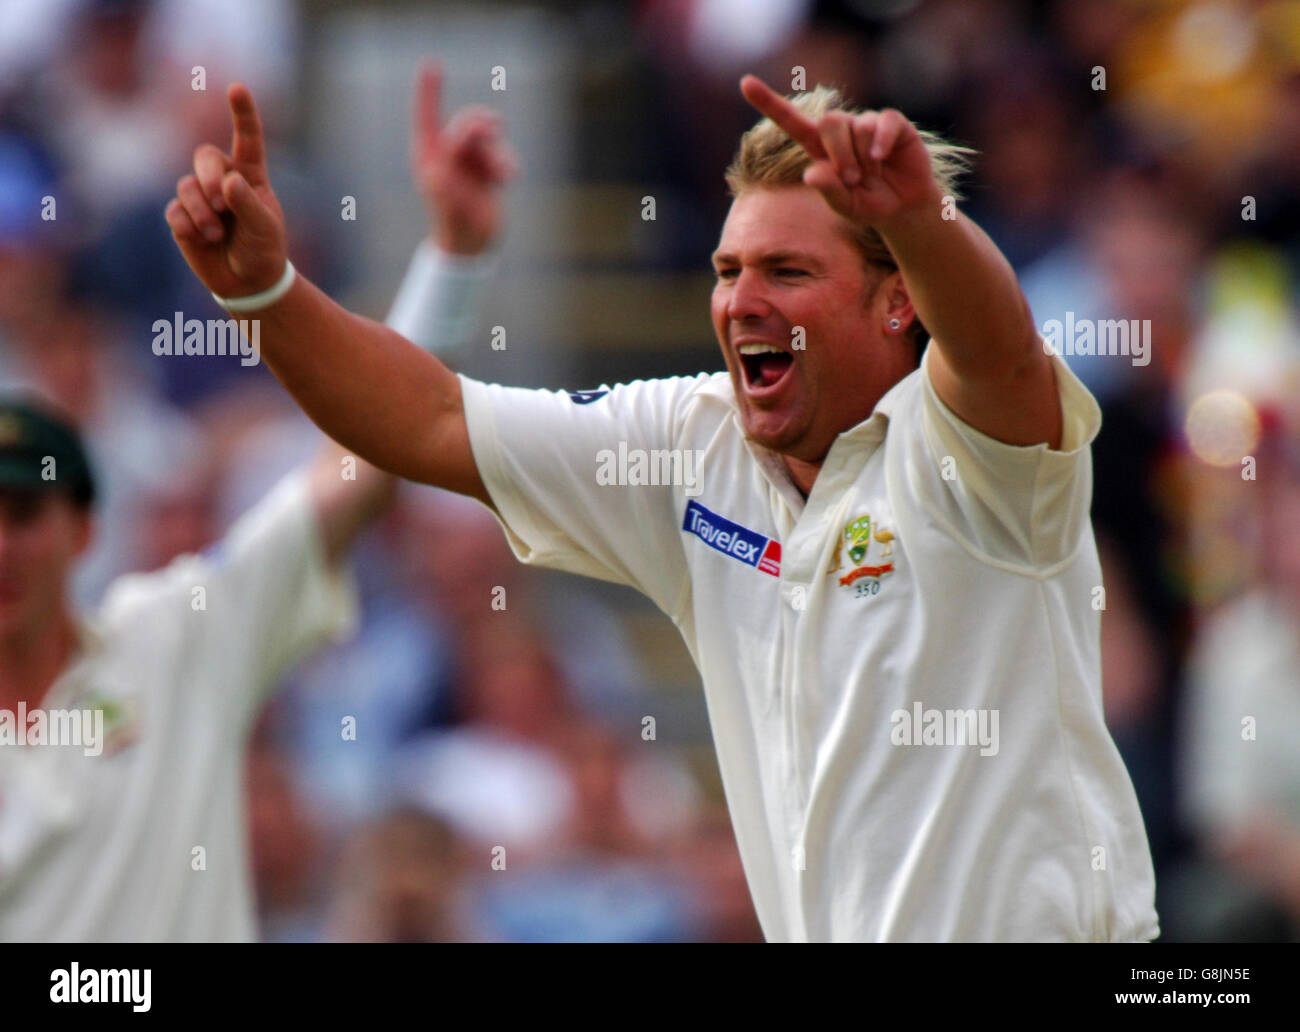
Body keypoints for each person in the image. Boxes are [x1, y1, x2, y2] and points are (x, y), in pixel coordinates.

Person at [163, 67, 1159, 942]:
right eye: (727, 272)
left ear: (897, 299)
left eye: (787, 270)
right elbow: (423, 422)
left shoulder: (974, 448)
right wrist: (265, 294)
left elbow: (999, 349)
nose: (739, 302)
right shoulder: (686, 444)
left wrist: (919, 217)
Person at [0, 69, 513, 942]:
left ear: (85, 531)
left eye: (23, 514)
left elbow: (361, 464)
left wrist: (452, 262)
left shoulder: (176, 638)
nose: (1, 545)